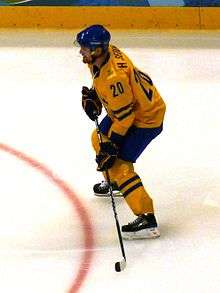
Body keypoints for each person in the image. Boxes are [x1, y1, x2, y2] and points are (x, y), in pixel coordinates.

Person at [75, 24, 166, 240]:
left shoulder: (113, 77)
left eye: (85, 48)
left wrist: (112, 145)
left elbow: (126, 118)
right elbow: (108, 88)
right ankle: (115, 183)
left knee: (118, 164)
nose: (81, 51)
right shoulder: (102, 56)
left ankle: (147, 218)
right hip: (131, 110)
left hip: (145, 119)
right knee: (98, 138)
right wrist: (96, 97)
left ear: (97, 50)